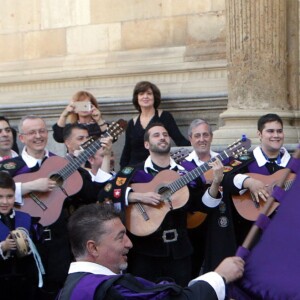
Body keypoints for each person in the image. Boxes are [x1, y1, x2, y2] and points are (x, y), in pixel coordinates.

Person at [100, 123, 224, 286]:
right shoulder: (133, 172)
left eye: (165, 134)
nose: (162, 137)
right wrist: (137, 196)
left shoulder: (185, 172)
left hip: (180, 251)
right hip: (144, 251)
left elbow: (203, 205)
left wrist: (215, 182)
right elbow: (105, 194)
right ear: (146, 144)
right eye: (156, 135)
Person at [58, 204, 244, 300]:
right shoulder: (113, 290)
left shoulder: (68, 290)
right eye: (120, 236)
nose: (129, 243)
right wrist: (220, 276)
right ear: (93, 247)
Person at [205, 113, 293, 272]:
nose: (276, 135)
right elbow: (223, 177)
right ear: (260, 134)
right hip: (251, 236)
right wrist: (248, 181)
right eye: (270, 131)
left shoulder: (294, 164)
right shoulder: (246, 160)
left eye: (279, 131)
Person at [0, 115, 71, 299]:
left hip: (59, 243)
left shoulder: (60, 163)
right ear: (22, 138)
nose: (38, 136)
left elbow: (85, 191)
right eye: (32, 132)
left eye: (42, 131)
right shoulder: (9, 167)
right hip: (25, 246)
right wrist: (29, 187)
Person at [180, 119, 223, 277]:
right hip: (194, 225)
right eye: (197, 135)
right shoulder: (182, 165)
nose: (202, 139)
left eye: (205, 135)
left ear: (211, 137)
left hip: (219, 220)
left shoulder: (223, 160)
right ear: (190, 139)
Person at [120, 81, 190, 169]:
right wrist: (123, 173)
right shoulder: (131, 123)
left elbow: (180, 141)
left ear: (154, 97)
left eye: (149, 93)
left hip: (157, 168)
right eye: (141, 94)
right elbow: (126, 152)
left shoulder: (165, 117)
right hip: (135, 170)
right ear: (137, 98)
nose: (145, 96)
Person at [0, 171, 43, 300]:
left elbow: (38, 248)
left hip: (25, 283)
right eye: (0, 196)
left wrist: (28, 246)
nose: (5, 201)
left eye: (9, 196)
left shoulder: (25, 218)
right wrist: (3, 246)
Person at [62, 123, 113, 213]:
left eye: (87, 138)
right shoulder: (61, 164)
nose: (86, 142)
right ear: (68, 143)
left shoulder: (92, 160)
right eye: (80, 138)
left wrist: (107, 154)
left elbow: (99, 188)